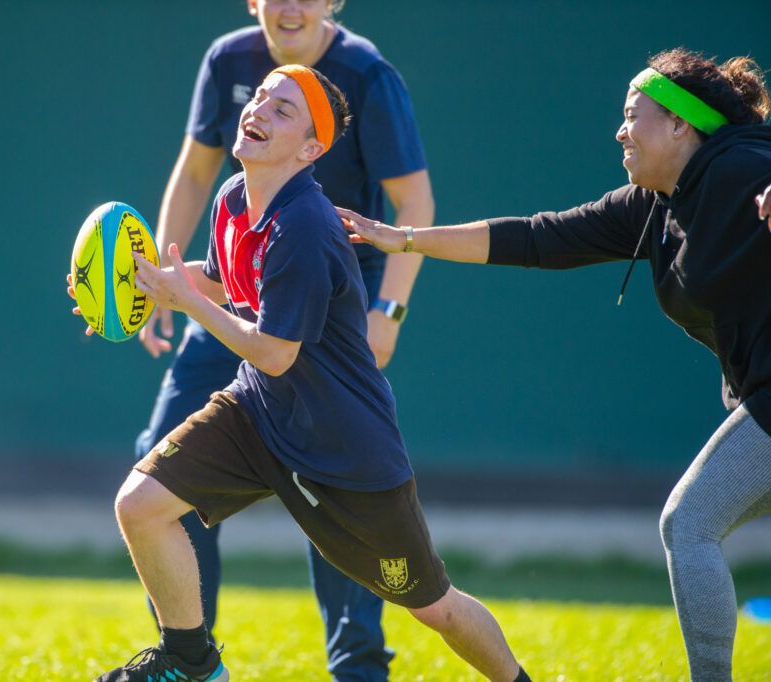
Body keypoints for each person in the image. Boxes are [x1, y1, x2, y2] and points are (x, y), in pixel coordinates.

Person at [74, 66, 530, 682]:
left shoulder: (304, 227)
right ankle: (191, 663)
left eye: (284, 110)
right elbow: (232, 284)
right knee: (141, 504)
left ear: (313, 148)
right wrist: (141, 280)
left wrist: (186, 301)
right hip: (258, 412)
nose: (260, 109)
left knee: (434, 607)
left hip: (344, 450)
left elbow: (274, 351)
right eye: (261, 96)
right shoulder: (234, 197)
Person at [338, 48, 771, 682]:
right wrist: (403, 239)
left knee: (689, 523)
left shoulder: (740, 167)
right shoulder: (650, 208)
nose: (620, 130)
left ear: (681, 125)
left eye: (633, 116)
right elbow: (536, 237)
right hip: (756, 394)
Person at [133, 1, 434, 678]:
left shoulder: (365, 73)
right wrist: (163, 278)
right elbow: (193, 169)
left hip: (325, 311)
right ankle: (187, 655)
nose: (291, 4)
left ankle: (357, 665)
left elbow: (415, 202)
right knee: (155, 464)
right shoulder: (228, 60)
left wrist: (388, 311)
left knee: (334, 487)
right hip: (235, 290)